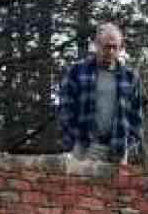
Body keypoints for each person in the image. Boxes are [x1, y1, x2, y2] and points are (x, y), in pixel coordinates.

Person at [56, 22, 142, 163]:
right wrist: (74, 141)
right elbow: (65, 110)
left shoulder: (130, 77)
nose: (111, 51)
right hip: (84, 147)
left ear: (120, 48)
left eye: (115, 47)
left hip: (117, 149)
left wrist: (128, 142)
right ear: (96, 45)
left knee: (117, 186)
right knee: (80, 185)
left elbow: (136, 116)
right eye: (107, 46)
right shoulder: (77, 72)